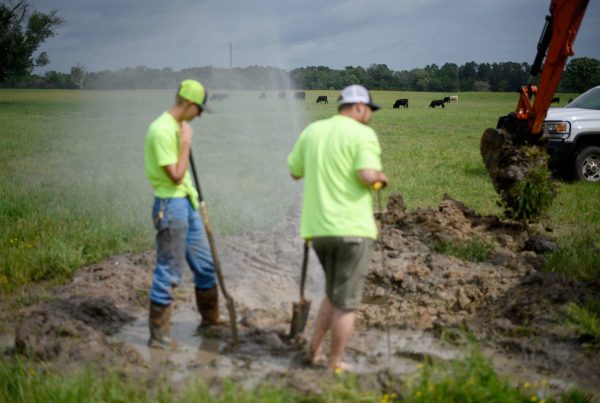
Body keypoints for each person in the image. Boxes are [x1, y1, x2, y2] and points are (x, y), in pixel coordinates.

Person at [287, 84, 388, 371]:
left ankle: (313, 351)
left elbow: (294, 172)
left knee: (333, 294)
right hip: (352, 231)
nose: (369, 115)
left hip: (317, 232)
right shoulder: (362, 134)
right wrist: (380, 179)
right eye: (369, 109)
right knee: (347, 303)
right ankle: (335, 364)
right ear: (358, 106)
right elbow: (367, 175)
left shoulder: (312, 131)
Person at [144, 79, 221, 349]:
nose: (199, 115)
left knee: (205, 265)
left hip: (186, 204)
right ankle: (159, 336)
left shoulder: (177, 128)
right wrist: (186, 143)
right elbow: (176, 176)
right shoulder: (161, 130)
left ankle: (211, 321)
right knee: (170, 271)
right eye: (199, 110)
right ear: (189, 104)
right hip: (170, 207)